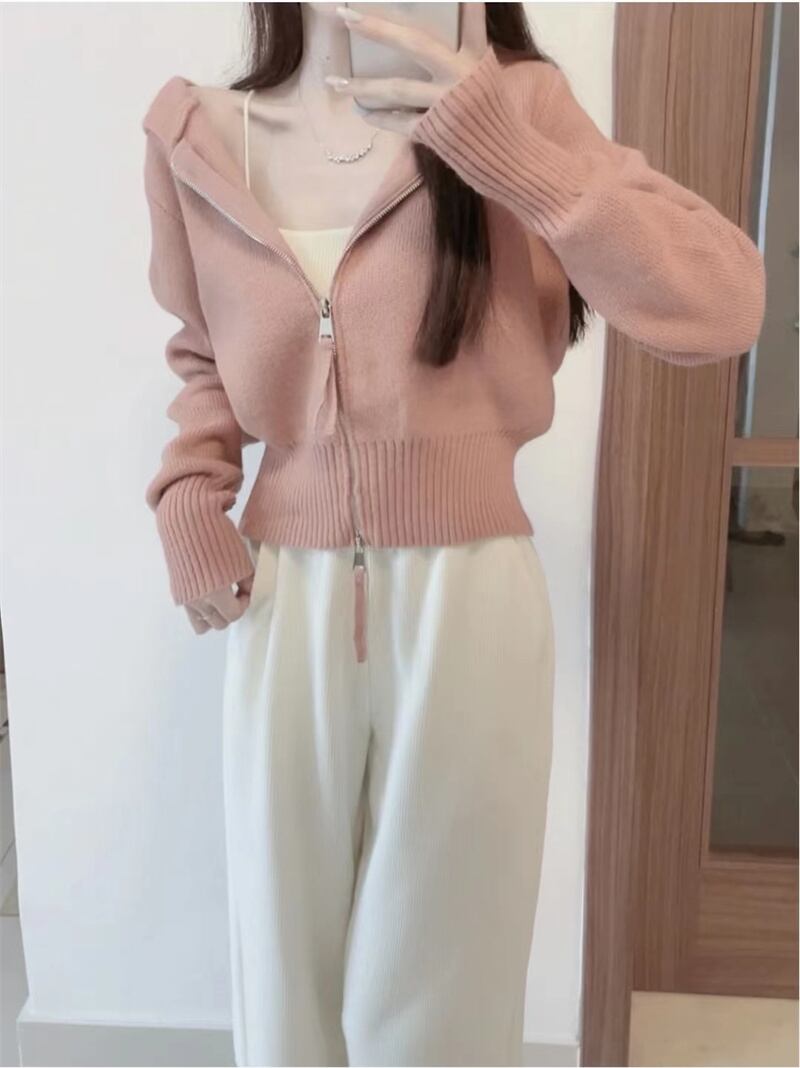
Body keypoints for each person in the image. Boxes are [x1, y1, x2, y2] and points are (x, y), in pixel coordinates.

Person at [140, 3, 766, 1065]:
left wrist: (503, 152)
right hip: (283, 598)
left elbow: (722, 303)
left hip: (469, 597)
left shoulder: (519, 109)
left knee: (444, 980)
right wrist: (191, 495)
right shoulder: (195, 134)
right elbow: (204, 350)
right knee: (282, 970)